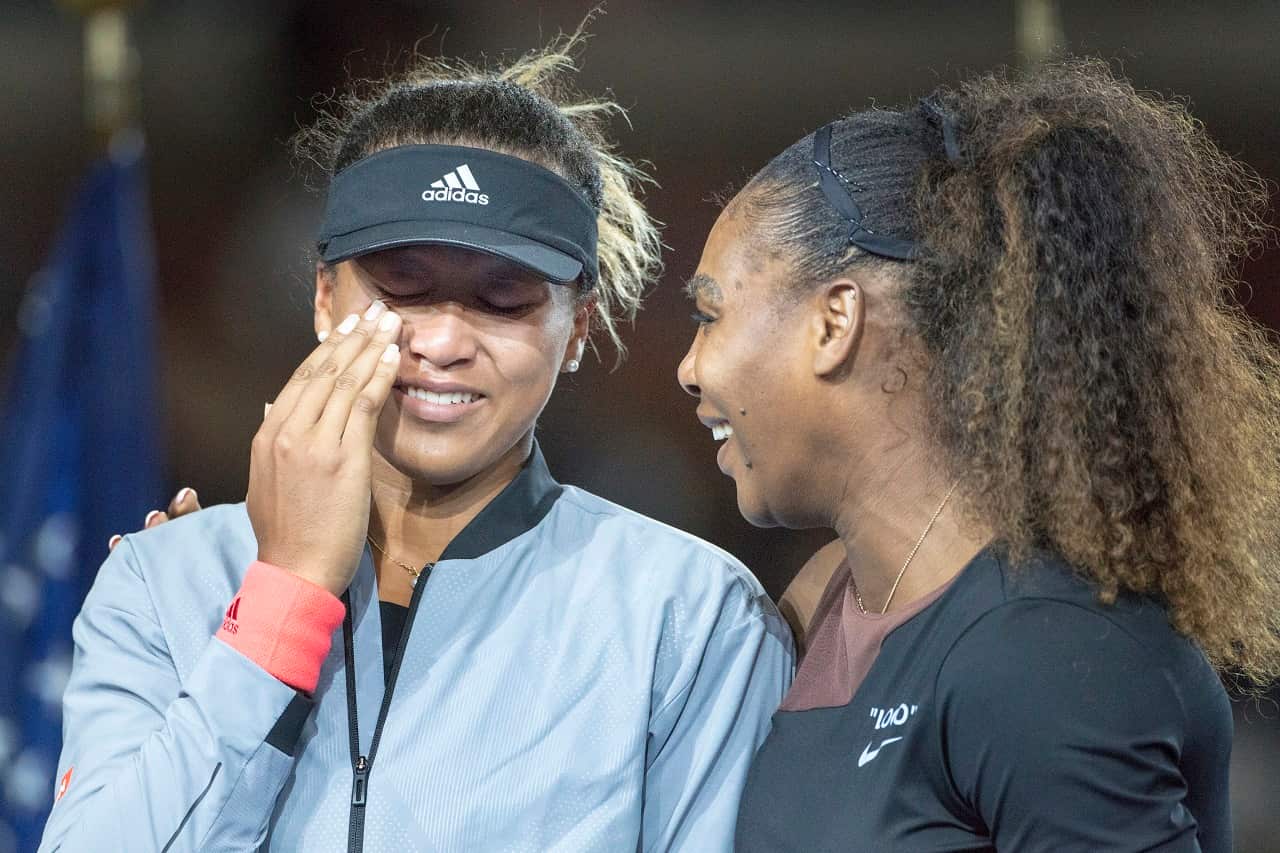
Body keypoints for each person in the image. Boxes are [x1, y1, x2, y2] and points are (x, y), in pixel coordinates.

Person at [40, 36, 793, 853]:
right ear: (325, 296)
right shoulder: (163, 579)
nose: (441, 342)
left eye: (503, 298)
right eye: (402, 285)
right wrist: (283, 598)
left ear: (577, 327)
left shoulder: (690, 615)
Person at [677, 59, 1280, 851]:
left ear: (834, 323)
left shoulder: (1049, 652)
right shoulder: (824, 600)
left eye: (710, 316)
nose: (690, 368)